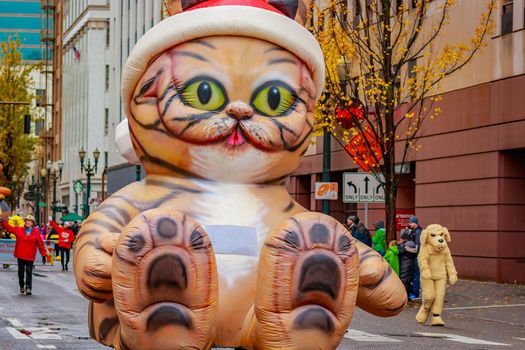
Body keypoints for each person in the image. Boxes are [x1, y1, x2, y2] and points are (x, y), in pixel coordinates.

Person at [0, 215, 46, 295]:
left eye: (30, 221)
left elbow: (40, 244)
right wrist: (2, 221)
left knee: (29, 271)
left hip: (30, 256)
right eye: (27, 220)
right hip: (20, 255)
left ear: (33, 223)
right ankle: (21, 285)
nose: (28, 222)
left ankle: (28, 288)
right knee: (20, 272)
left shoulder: (36, 233)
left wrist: (43, 254)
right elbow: (10, 228)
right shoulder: (19, 230)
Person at [407, 216, 423, 300]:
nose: (409, 224)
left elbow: (417, 246)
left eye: (411, 223)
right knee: (414, 274)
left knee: (416, 274)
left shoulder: (418, 232)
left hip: (417, 256)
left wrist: (410, 249)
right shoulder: (414, 231)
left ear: (415, 223)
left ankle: (416, 294)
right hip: (414, 256)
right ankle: (414, 292)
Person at [398, 229, 417, 297]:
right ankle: (408, 296)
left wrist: (399, 243)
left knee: (403, 281)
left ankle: (404, 296)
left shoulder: (403, 246)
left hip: (404, 265)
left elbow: (399, 251)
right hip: (411, 265)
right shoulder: (412, 244)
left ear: (404, 238)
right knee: (408, 281)